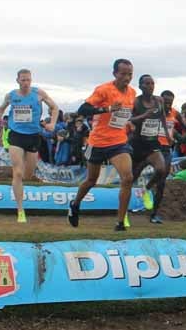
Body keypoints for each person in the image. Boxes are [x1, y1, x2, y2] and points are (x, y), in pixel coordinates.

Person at [68, 59, 137, 232]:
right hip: (98, 142)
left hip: (118, 142)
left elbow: (123, 114)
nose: (127, 78)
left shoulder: (132, 93)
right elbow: (83, 110)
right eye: (123, 74)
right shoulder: (104, 90)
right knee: (92, 180)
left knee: (127, 178)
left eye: (130, 74)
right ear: (115, 74)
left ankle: (120, 223)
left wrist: (128, 123)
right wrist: (106, 110)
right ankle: (75, 204)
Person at [0, 69, 60, 223]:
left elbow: (55, 108)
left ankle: (14, 178)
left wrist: (52, 123)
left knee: (28, 175)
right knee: (17, 173)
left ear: (31, 80)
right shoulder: (11, 95)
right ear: (18, 80)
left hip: (33, 136)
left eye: (28, 80)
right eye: (23, 80)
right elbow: (1, 108)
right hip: (16, 135)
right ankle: (20, 210)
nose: (25, 83)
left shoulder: (39, 94)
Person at [128, 75, 170, 224]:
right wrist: (144, 115)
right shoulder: (136, 102)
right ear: (141, 86)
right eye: (147, 83)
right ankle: (123, 213)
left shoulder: (159, 100)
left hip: (153, 143)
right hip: (138, 144)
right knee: (130, 179)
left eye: (152, 83)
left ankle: (146, 189)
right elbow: (129, 119)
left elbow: (163, 118)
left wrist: (166, 134)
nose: (151, 86)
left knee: (161, 169)